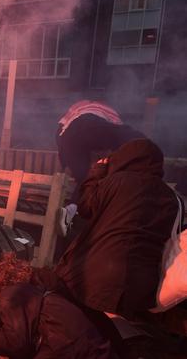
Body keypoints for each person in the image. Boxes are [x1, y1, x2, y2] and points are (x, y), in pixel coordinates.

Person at [55, 138, 178, 322]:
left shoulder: (116, 182)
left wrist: (96, 173)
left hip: (91, 280)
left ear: (125, 159)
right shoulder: (173, 198)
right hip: (141, 288)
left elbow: (86, 207)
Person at [56, 100, 145, 235]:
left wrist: (65, 163)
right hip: (89, 124)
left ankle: (70, 210)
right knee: (128, 138)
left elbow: (59, 136)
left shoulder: (71, 114)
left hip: (67, 136)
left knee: (84, 176)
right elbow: (116, 135)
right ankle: (145, 142)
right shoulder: (109, 115)